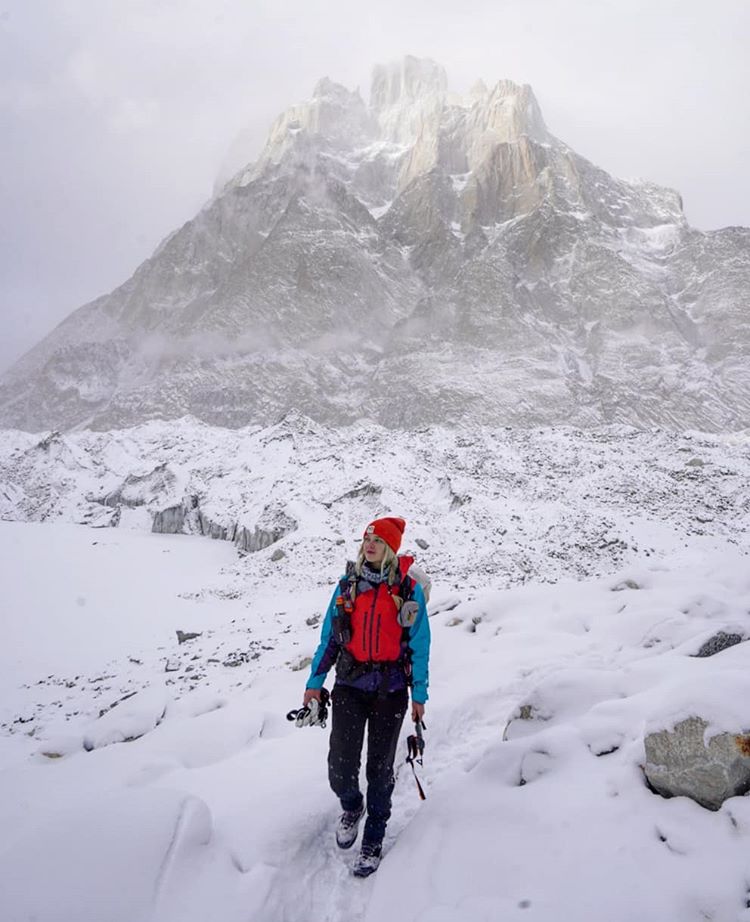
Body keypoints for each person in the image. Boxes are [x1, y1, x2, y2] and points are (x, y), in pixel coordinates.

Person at [303, 516, 430, 877]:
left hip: (390, 691)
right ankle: (351, 804)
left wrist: (419, 693)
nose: (369, 545)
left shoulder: (407, 590)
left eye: (377, 540)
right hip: (349, 685)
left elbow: (419, 644)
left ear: (390, 547)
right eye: (366, 539)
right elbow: (329, 637)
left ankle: (374, 836)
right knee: (340, 766)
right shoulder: (348, 587)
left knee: (379, 768)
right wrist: (315, 681)